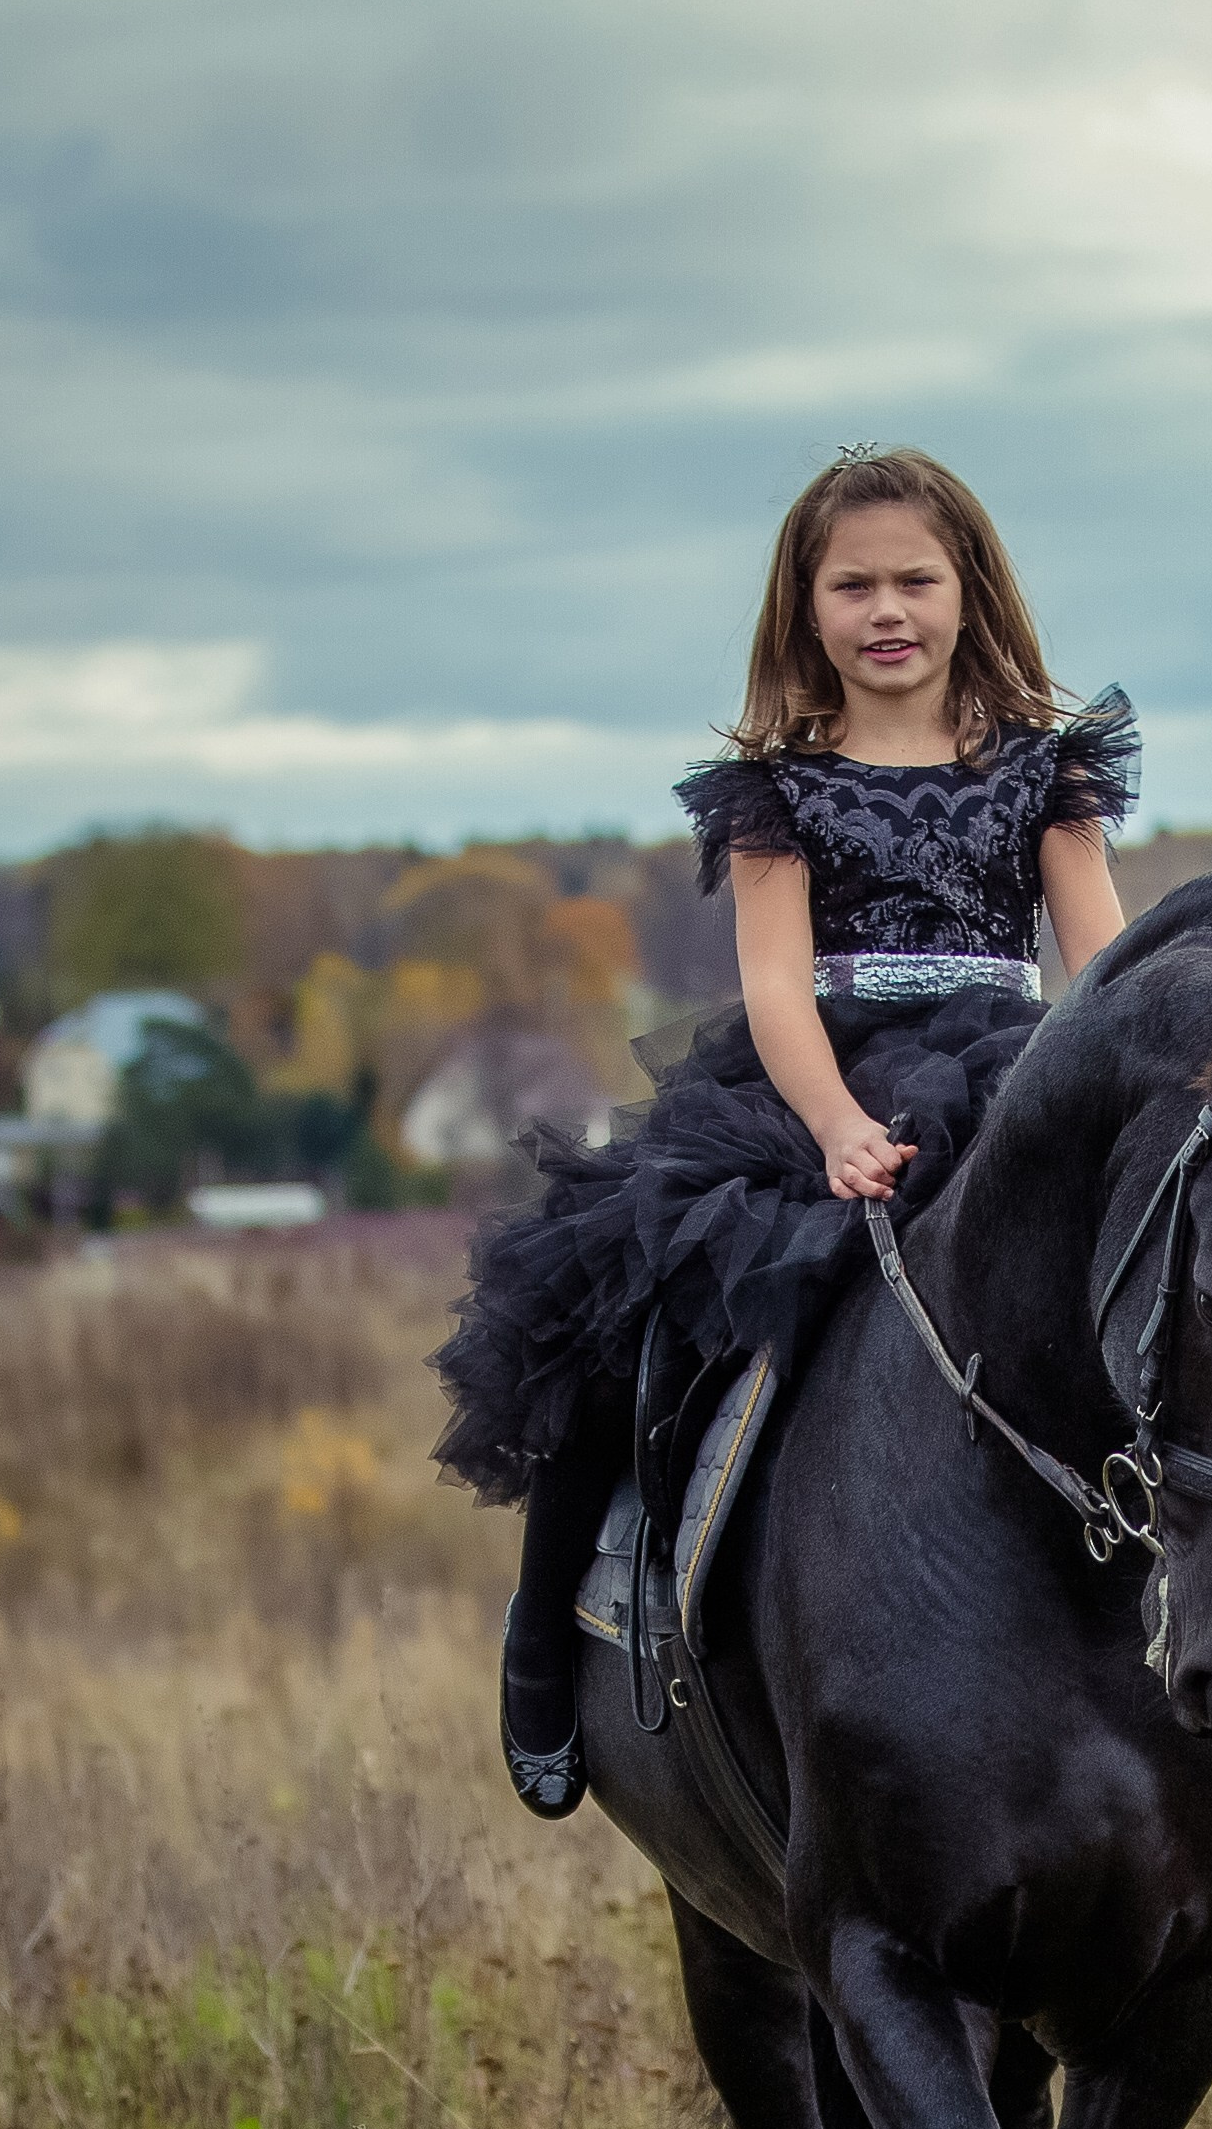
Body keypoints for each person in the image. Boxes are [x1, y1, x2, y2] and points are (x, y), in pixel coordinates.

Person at [432, 442, 1134, 1819]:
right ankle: (544, 1642)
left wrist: (1114, 1097)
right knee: (620, 1305)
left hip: (1013, 1069)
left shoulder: (1044, 771)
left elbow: (1098, 954)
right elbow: (770, 982)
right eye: (853, 584)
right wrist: (832, 1125)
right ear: (804, 606)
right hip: (818, 1075)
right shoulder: (779, 787)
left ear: (968, 587)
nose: (888, 610)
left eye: (915, 581)